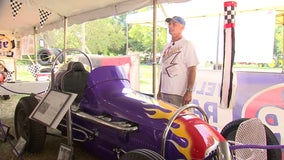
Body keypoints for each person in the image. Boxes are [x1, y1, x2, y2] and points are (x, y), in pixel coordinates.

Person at [157, 16, 199, 107]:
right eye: (169, 24)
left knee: (178, 119)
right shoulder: (166, 46)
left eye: (174, 24)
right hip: (164, 92)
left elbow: (192, 69)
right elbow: (162, 70)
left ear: (182, 27)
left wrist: (189, 91)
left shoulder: (187, 44)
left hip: (178, 93)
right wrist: (159, 91)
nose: (171, 26)